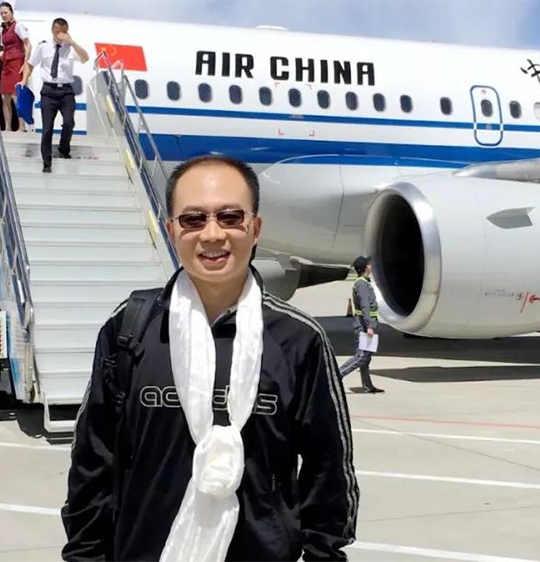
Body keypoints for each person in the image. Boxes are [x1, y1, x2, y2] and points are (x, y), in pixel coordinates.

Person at [62, 155, 358, 561]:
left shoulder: (299, 339)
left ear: (255, 228)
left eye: (230, 217)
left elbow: (329, 472)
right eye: (193, 220)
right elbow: (92, 462)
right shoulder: (129, 329)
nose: (213, 234)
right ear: (171, 231)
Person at [21, 17, 89, 173]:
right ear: (52, 31)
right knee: (47, 128)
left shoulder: (71, 48)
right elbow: (30, 64)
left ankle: (64, 149)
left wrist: (72, 42)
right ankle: (47, 163)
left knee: (69, 122)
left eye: (63, 32)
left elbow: (85, 58)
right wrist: (24, 80)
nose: (60, 35)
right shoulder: (43, 47)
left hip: (66, 92)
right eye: (58, 31)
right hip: (49, 91)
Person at [0, 2, 31, 132]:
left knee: (16, 95)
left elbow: (28, 45)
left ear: (11, 12)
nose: (3, 15)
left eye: (5, 12)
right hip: (6, 65)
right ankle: (7, 127)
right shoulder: (4, 30)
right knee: (5, 97)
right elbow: (4, 51)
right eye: (1, 13)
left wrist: (26, 62)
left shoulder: (18, 26)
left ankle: (21, 126)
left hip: (16, 63)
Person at [339, 256, 384, 394]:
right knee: (361, 356)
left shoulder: (364, 282)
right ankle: (336, 376)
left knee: (366, 358)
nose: (371, 266)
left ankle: (367, 386)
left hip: (367, 323)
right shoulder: (362, 284)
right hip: (364, 325)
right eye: (369, 264)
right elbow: (365, 305)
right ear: (366, 267)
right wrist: (370, 326)